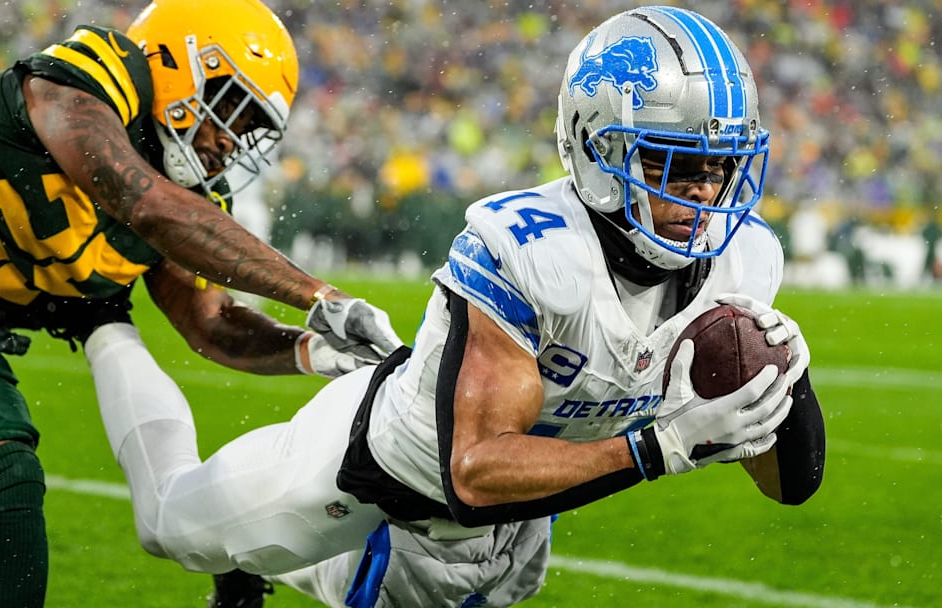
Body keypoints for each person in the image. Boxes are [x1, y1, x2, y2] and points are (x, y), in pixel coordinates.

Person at [83, 6, 826, 607]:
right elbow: (470, 469)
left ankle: (280, 566)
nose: (701, 190)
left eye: (720, 165)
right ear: (598, 150)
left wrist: (788, 387)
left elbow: (792, 487)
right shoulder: (532, 247)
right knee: (169, 525)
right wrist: (660, 448)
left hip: (508, 513)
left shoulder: (745, 259)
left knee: (456, 580)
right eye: (674, 162)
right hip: (379, 464)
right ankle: (102, 325)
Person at [0, 0, 403, 606]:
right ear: (182, 61)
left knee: (8, 485)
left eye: (248, 127)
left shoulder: (187, 195)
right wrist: (319, 295)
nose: (230, 140)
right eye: (230, 107)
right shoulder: (103, 70)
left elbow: (214, 323)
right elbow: (134, 194)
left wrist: (313, 348)